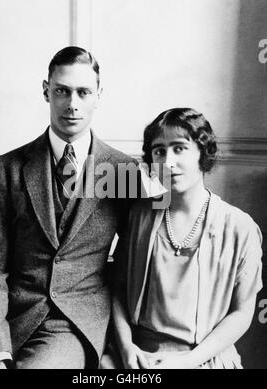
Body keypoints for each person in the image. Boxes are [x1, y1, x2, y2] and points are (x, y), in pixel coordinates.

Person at [0, 46, 137, 369]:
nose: (72, 104)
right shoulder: (9, 168)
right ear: (46, 91)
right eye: (62, 91)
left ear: (99, 95)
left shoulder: (123, 171)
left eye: (83, 92)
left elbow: (142, 258)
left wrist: (123, 343)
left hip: (78, 324)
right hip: (13, 321)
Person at [109, 107, 263, 369]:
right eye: (159, 151)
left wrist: (189, 361)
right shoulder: (140, 216)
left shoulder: (239, 226)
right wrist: (125, 348)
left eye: (179, 148)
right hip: (139, 355)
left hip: (206, 356)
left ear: (203, 152)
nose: (168, 162)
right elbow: (117, 292)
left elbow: (242, 312)